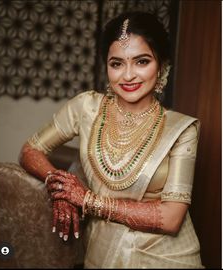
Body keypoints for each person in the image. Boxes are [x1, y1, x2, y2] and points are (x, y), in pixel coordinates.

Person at [19, 11, 204, 268]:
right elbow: (31, 149)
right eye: (117, 63)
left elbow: (171, 218)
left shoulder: (181, 129)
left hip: (166, 258)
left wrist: (86, 200)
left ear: (161, 65)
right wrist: (60, 187)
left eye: (141, 62)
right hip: (101, 253)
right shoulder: (86, 108)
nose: (128, 76)